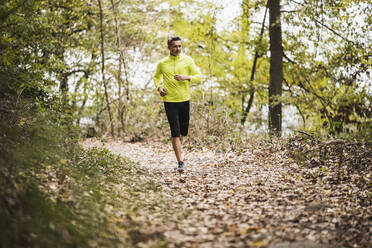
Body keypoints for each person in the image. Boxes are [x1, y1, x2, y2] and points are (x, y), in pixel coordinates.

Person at [154, 36, 202, 173]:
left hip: (184, 100)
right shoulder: (162, 63)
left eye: (179, 46)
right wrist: (159, 87)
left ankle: (180, 144)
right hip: (169, 101)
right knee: (174, 131)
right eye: (174, 46)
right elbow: (156, 77)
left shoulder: (188, 61)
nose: (177, 49)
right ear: (169, 47)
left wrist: (185, 78)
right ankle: (180, 162)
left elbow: (199, 77)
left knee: (183, 131)